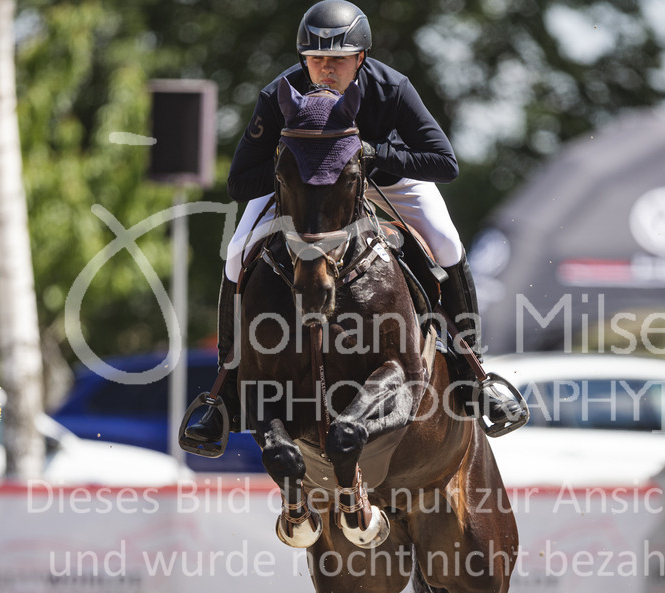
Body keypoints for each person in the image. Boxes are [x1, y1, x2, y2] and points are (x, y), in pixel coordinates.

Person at [184, 0, 525, 451]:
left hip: (388, 180)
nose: (325, 69)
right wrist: (299, 169)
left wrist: (372, 155)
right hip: (299, 192)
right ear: (303, 59)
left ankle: (472, 372)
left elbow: (444, 162)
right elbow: (239, 182)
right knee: (236, 253)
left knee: (445, 242)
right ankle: (225, 390)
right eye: (316, 60)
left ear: (360, 59)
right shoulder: (279, 95)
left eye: (337, 60)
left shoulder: (391, 87)